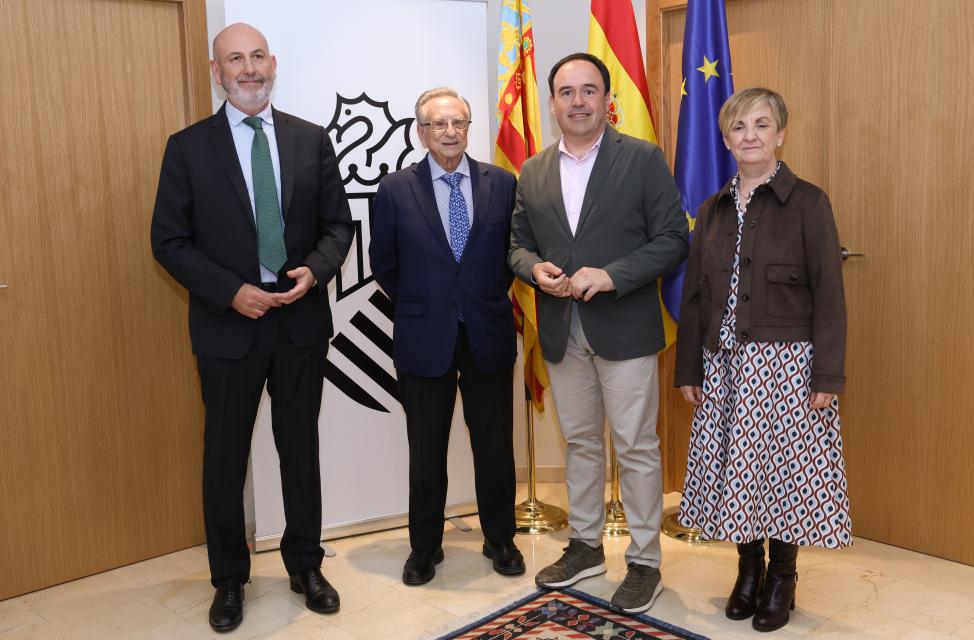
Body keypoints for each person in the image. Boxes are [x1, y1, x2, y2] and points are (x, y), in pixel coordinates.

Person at [150, 23, 354, 632]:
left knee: (300, 451)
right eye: (235, 59)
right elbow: (168, 240)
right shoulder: (187, 148)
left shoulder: (310, 139)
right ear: (217, 73)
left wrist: (314, 272)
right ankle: (229, 579)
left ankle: (305, 565)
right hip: (227, 327)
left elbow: (337, 227)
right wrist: (230, 291)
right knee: (224, 458)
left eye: (257, 56)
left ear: (273, 63)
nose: (249, 69)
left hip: (299, 322)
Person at [508, 53, 688, 613]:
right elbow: (516, 244)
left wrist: (612, 275)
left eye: (589, 90)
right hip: (561, 328)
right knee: (582, 442)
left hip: (625, 325)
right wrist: (532, 269)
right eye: (567, 92)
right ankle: (585, 548)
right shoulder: (533, 170)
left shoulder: (642, 158)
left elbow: (673, 239)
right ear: (553, 102)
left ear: (607, 99)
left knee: (635, 445)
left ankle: (645, 562)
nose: (578, 102)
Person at [674, 87, 851, 633]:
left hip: (788, 367)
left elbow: (830, 293)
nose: (749, 135)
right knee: (737, 469)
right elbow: (695, 295)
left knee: (784, 474)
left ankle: (782, 578)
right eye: (738, 127)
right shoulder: (712, 209)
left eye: (761, 124)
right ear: (726, 140)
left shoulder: (809, 203)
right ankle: (748, 570)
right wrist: (689, 368)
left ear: (780, 134)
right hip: (724, 366)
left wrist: (827, 374)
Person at [369, 87, 524, 586]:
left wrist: (477, 298)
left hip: (488, 332)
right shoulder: (395, 189)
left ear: (468, 128)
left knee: (495, 446)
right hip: (424, 335)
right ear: (421, 133)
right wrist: (429, 302)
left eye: (458, 122)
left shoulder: (502, 183)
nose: (450, 132)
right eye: (438, 124)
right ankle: (424, 548)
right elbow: (384, 264)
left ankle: (500, 538)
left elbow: (512, 254)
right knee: (426, 450)